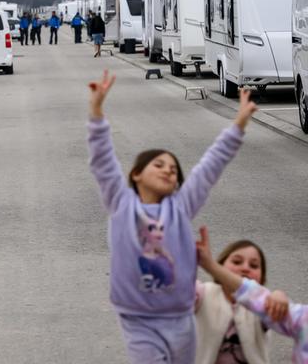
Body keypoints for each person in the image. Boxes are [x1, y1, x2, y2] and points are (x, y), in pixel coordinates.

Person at [87, 71, 257, 364]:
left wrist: (238, 125)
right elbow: (102, 161)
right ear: (136, 174)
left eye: (174, 170)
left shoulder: (179, 208)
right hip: (138, 320)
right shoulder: (121, 203)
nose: (168, 170)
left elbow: (209, 168)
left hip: (180, 317)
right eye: (159, 164)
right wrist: (97, 112)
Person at [196, 226, 307, 364]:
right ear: (220, 266)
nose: (245, 268)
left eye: (254, 266)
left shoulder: (262, 307)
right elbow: (179, 291)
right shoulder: (203, 292)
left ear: (261, 279)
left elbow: (273, 307)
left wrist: (278, 295)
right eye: (237, 262)